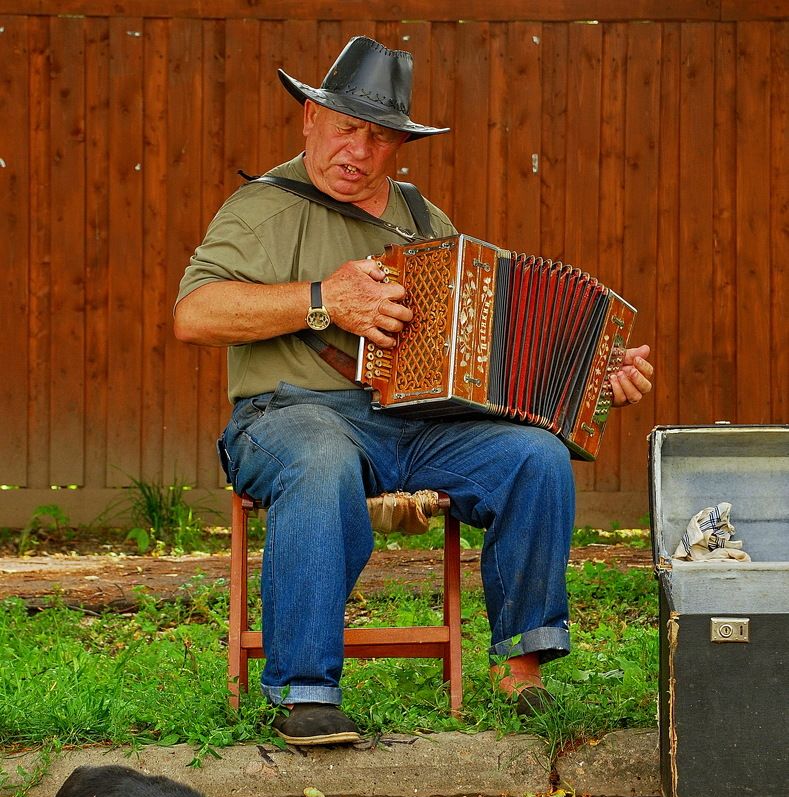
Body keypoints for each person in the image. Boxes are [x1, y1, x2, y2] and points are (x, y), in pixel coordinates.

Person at [174, 37, 653, 746]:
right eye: (345, 128)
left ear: (398, 143)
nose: (357, 151)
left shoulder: (421, 221)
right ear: (309, 118)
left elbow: (482, 358)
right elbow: (195, 315)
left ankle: (520, 673)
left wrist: (592, 378)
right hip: (287, 415)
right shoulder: (259, 210)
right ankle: (305, 692)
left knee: (533, 457)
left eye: (377, 136)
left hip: (414, 424)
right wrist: (321, 299)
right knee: (320, 460)